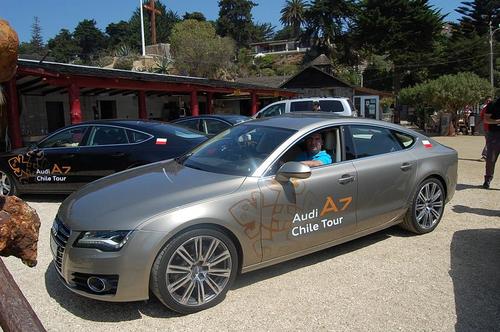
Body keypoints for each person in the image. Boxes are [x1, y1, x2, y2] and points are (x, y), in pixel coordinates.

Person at [482, 97, 500, 189]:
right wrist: (498, 121)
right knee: (491, 159)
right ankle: (488, 179)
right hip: (495, 135)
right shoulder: (492, 105)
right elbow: (486, 120)